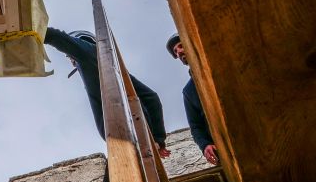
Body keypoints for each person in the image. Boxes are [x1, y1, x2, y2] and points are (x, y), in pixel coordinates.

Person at [44, 27, 170, 157]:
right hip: (133, 137)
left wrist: (34, 29)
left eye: (69, 56)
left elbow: (56, 37)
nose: (71, 61)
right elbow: (152, 98)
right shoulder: (110, 67)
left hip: (127, 138)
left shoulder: (89, 54)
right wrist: (157, 140)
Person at [167, 33, 219, 165]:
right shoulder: (189, 91)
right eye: (175, 51)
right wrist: (205, 145)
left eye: (180, 46)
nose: (178, 51)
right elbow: (195, 126)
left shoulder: (218, 64)